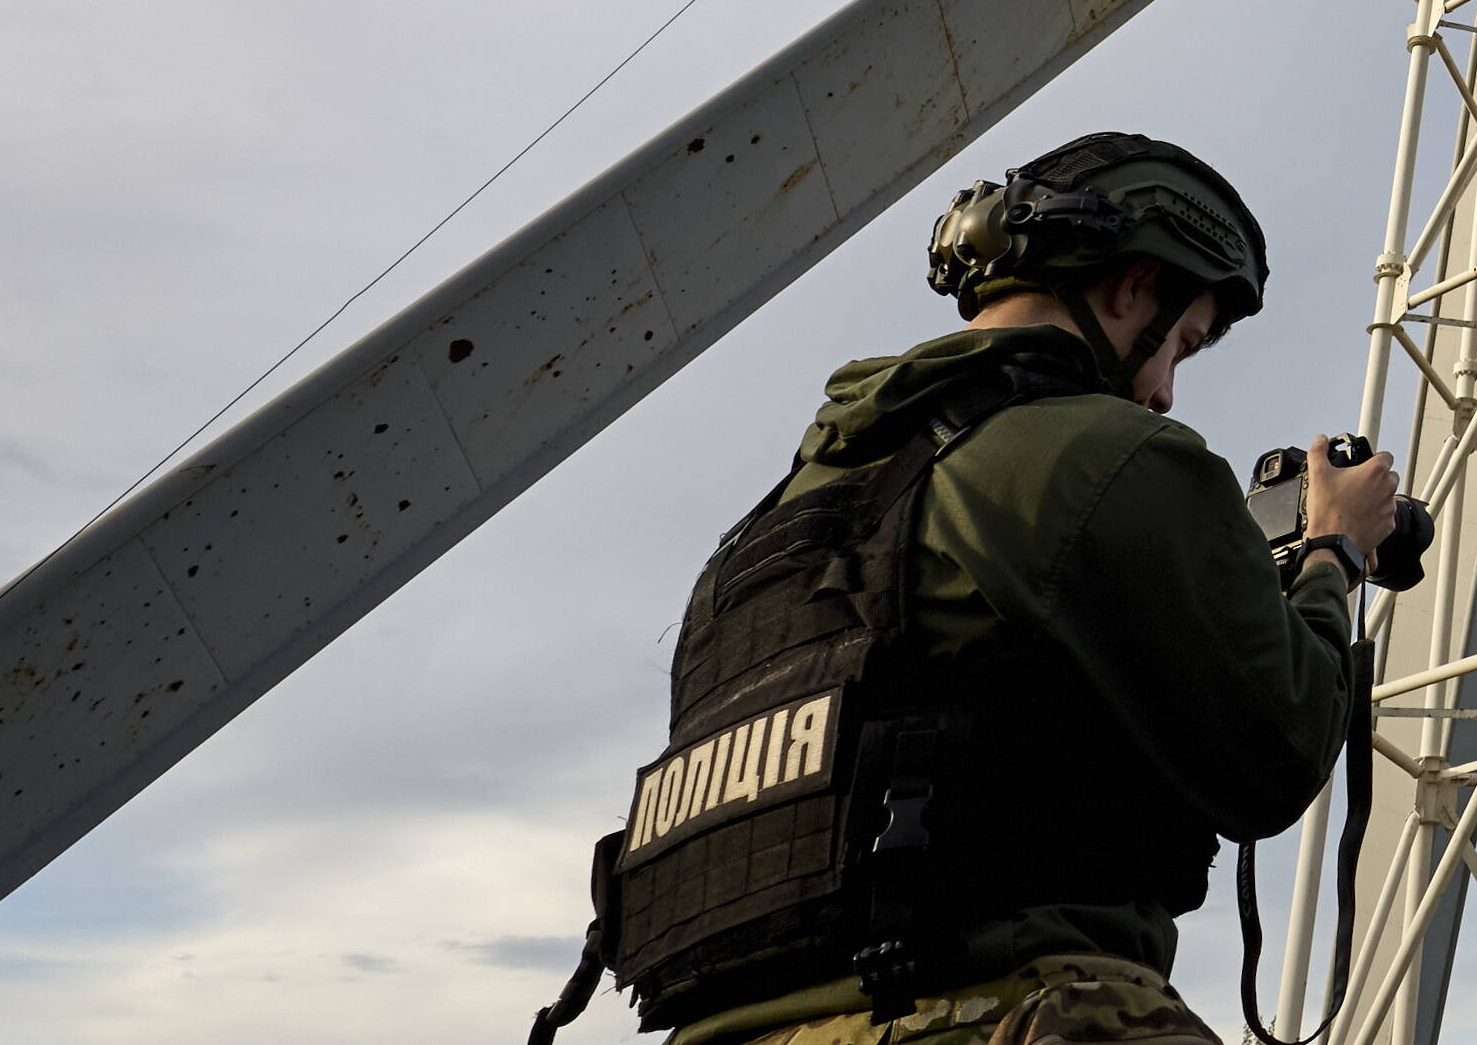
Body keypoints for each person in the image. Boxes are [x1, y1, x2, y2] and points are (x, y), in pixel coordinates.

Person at [545, 131, 1401, 1045]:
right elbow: (1275, 752)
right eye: (1182, 346)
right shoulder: (1101, 454)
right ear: (1135, 288)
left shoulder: (766, 530)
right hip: (1000, 1013)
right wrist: (1332, 556)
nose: (1165, 393)